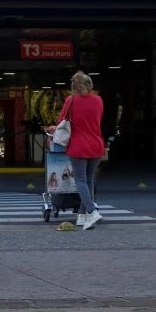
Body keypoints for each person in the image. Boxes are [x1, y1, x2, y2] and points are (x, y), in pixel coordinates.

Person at [55, 71, 106, 230]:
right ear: (90, 85)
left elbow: (61, 121)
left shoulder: (71, 101)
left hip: (78, 145)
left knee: (80, 180)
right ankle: (83, 217)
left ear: (73, 86)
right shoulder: (98, 100)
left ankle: (91, 211)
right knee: (89, 180)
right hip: (97, 144)